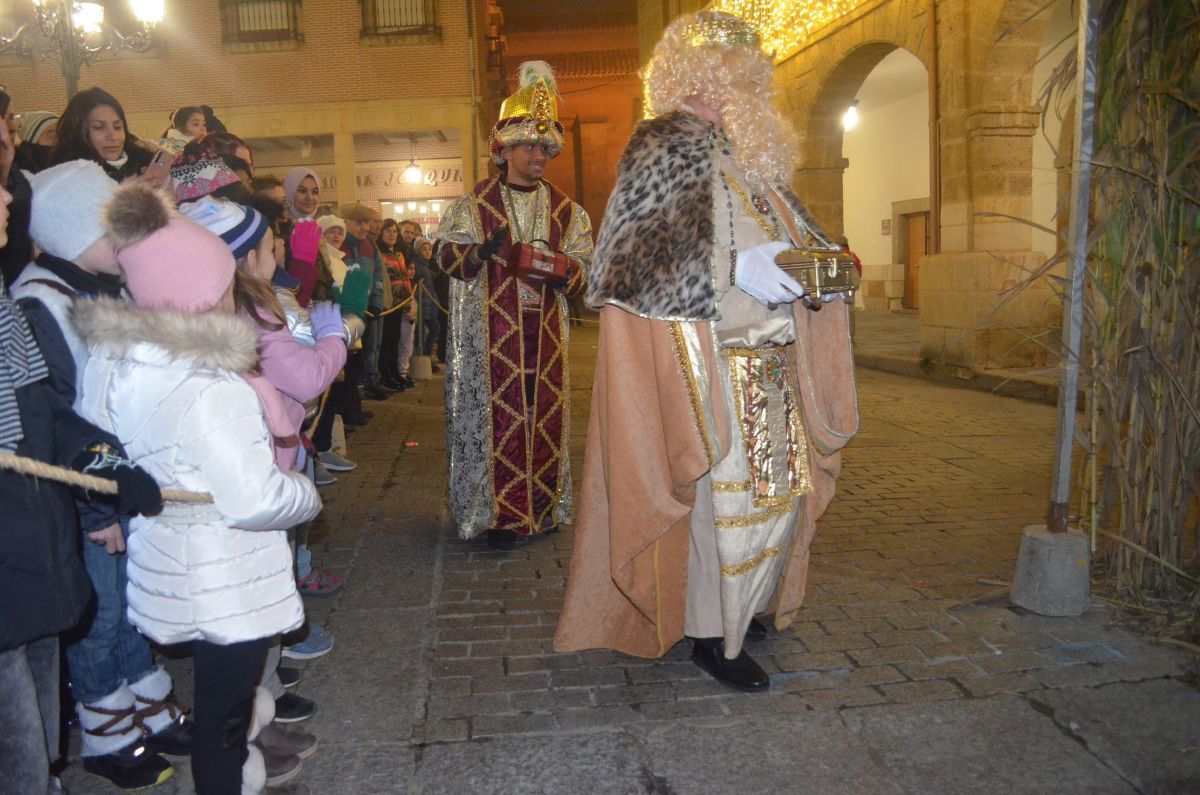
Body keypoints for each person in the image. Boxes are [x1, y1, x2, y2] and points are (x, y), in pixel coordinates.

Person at [553, 12, 860, 692]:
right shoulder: (659, 144)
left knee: (777, 499)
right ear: (700, 78)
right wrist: (732, 266)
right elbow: (633, 261)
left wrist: (823, 268)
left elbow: (796, 235)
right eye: (735, 80)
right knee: (723, 508)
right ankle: (710, 635)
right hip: (713, 368)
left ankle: (746, 608)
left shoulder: (752, 158)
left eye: (752, 81)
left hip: (776, 363)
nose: (745, 92)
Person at [76, 181, 322, 794]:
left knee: (218, 710)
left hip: (165, 565)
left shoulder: (111, 360)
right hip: (227, 578)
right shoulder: (213, 386)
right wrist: (304, 495)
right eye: (219, 288)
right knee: (221, 722)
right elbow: (255, 499)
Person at [12, 160, 191, 789]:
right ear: (65, 233)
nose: (124, 242)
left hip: (123, 479)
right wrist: (97, 508)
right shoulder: (41, 303)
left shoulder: (98, 287)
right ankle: (105, 728)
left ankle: (147, 698)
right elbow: (57, 414)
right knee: (101, 613)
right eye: (110, 229)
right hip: (89, 495)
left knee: (130, 604)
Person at [434, 60, 593, 550]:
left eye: (546, 147)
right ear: (504, 149)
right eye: (529, 145)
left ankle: (542, 509)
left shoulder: (569, 211)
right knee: (498, 419)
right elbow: (442, 255)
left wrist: (563, 268)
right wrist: (478, 253)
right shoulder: (472, 206)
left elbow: (587, 269)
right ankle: (500, 516)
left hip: (545, 340)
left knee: (541, 414)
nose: (539, 155)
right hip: (490, 339)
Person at [49, 87, 154, 182]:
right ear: (77, 132)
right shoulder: (66, 179)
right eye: (99, 127)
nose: (113, 137)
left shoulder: (144, 162)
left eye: (117, 127)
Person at [340, 203, 389, 401]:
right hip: (349, 310)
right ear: (346, 223)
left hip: (370, 308)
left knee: (373, 346)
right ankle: (354, 390)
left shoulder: (370, 246)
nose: (365, 228)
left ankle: (371, 381)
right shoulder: (339, 246)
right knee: (352, 353)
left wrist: (377, 301)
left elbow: (378, 275)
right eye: (359, 223)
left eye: (367, 223)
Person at [377, 218, 415, 391]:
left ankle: (394, 373)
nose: (392, 234)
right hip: (388, 304)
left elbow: (405, 278)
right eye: (388, 231)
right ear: (381, 233)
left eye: (394, 231)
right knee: (387, 341)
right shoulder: (379, 253)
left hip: (401, 303)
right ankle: (385, 375)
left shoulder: (399, 254)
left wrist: (410, 301)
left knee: (396, 340)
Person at [411, 236, 440, 366]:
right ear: (418, 251)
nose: (428, 252)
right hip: (422, 306)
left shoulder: (426, 267)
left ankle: (427, 357)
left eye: (429, 249)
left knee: (434, 329)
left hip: (429, 305)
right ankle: (423, 358)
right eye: (424, 250)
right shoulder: (418, 266)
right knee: (423, 333)